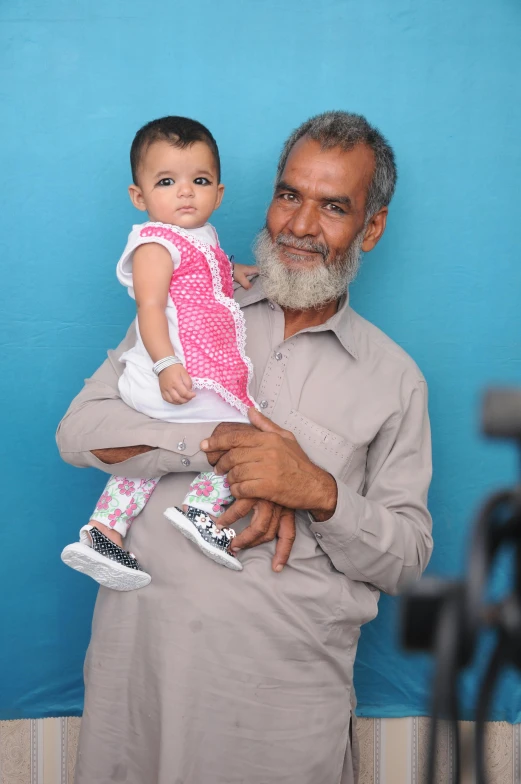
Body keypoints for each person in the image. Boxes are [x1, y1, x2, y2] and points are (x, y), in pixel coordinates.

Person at [57, 110, 433, 784]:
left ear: (369, 229)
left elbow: (406, 559)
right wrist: (217, 442)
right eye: (289, 195)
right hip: (137, 693)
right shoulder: (190, 300)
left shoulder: (394, 379)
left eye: (333, 207)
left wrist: (317, 491)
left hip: (281, 713)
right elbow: (80, 433)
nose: (298, 225)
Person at [61, 116, 260, 591]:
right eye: (167, 182)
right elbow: (150, 308)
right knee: (241, 431)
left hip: (184, 368)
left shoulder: (202, 236)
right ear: (140, 196)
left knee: (148, 461)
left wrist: (235, 269)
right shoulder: (154, 244)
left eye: (200, 180)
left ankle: (103, 531)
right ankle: (202, 510)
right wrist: (167, 365)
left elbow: (206, 268)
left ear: (220, 193)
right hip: (168, 370)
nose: (186, 193)